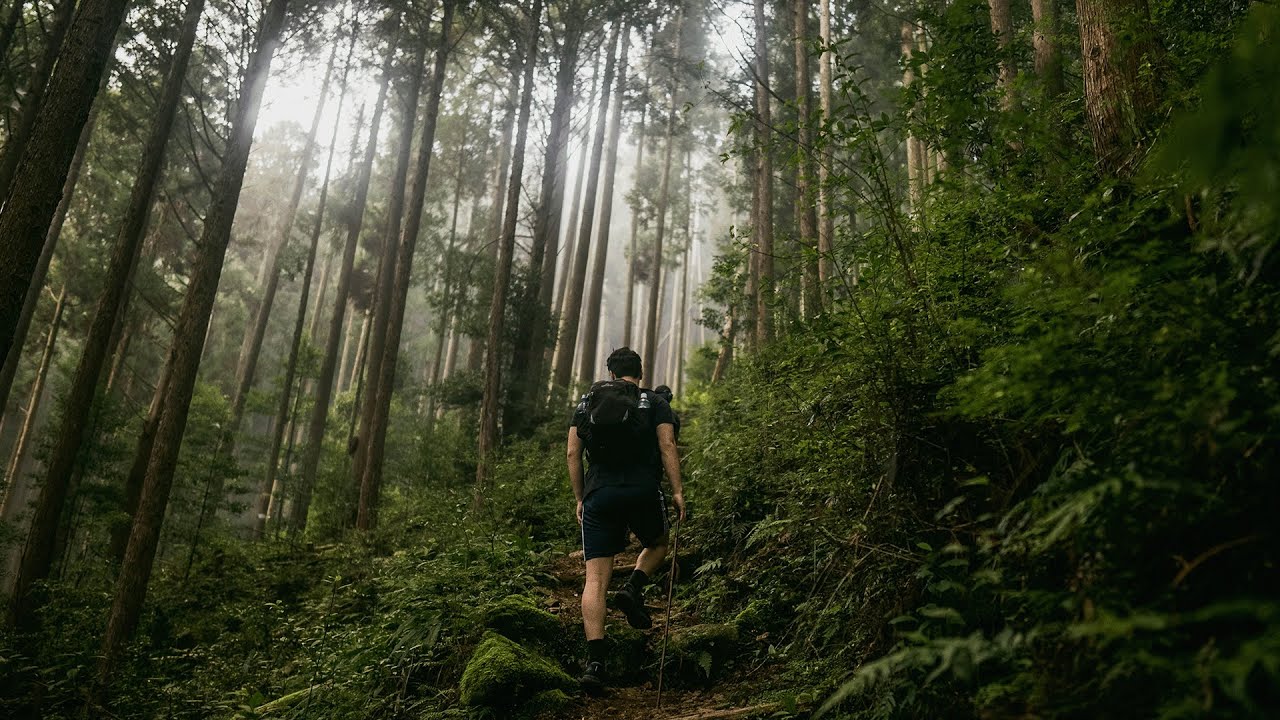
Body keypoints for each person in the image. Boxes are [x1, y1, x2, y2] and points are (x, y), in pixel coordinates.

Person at [567, 347, 685, 695]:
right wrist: (677, 491)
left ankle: (596, 664)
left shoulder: (589, 400)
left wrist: (579, 497)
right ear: (640, 373)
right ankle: (633, 587)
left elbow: (573, 452)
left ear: (611, 372)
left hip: (599, 494)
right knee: (658, 543)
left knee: (595, 580)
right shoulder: (654, 401)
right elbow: (667, 445)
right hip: (643, 490)